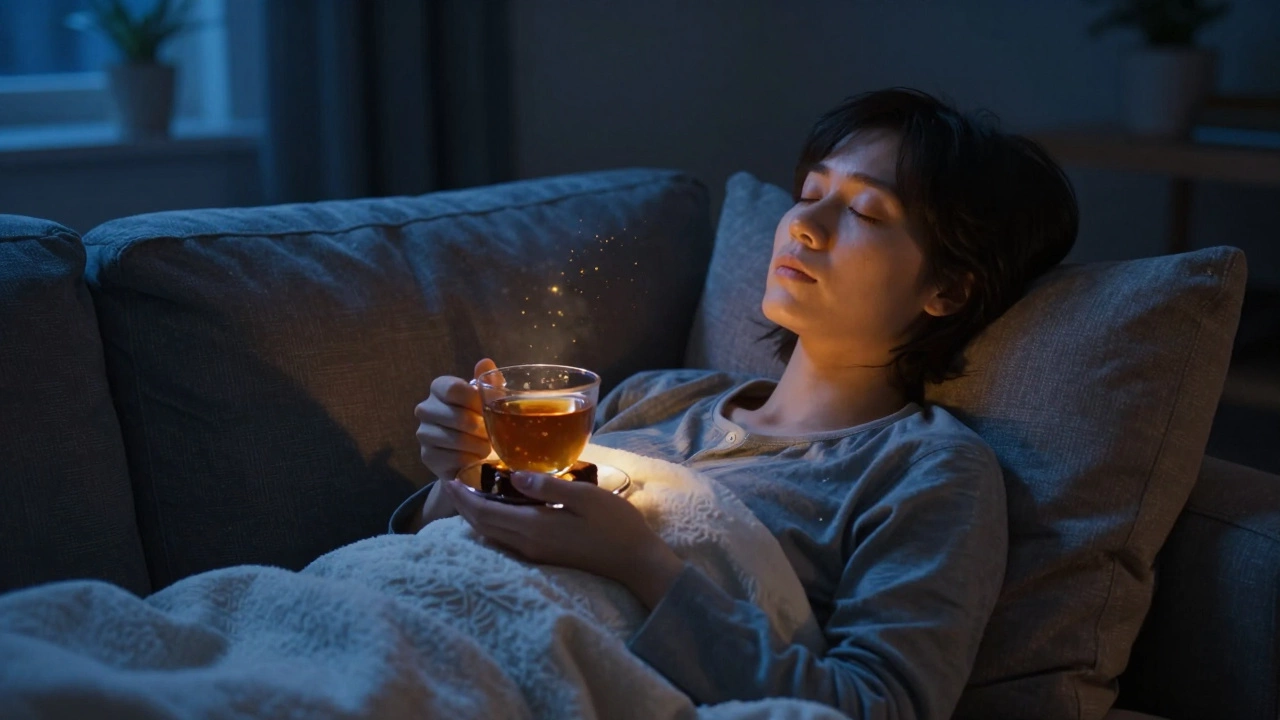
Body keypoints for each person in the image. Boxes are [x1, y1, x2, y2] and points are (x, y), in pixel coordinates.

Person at [396, 87, 1078, 719]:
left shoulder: (926, 473)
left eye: (866, 211)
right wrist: (459, 475)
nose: (804, 224)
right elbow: (437, 558)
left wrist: (641, 564)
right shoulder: (656, 396)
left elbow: (876, 705)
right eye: (809, 192)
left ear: (949, 291)